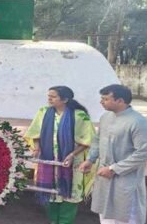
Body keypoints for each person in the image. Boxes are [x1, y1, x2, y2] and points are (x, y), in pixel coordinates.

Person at [78, 84, 147, 224]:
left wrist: (114, 169)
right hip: (104, 176)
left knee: (126, 216)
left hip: (125, 178)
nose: (101, 102)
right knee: (106, 217)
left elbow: (143, 153)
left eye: (105, 99)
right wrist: (90, 159)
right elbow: (97, 140)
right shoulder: (105, 117)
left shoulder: (138, 122)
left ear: (120, 101)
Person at [24, 86, 97, 224]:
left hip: (71, 162)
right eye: (48, 96)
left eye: (53, 96)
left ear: (65, 99)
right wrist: (37, 149)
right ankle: (53, 221)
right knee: (50, 193)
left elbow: (88, 141)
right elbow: (35, 133)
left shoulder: (79, 115)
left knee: (70, 194)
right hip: (48, 161)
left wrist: (72, 154)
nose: (49, 99)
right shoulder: (43, 112)